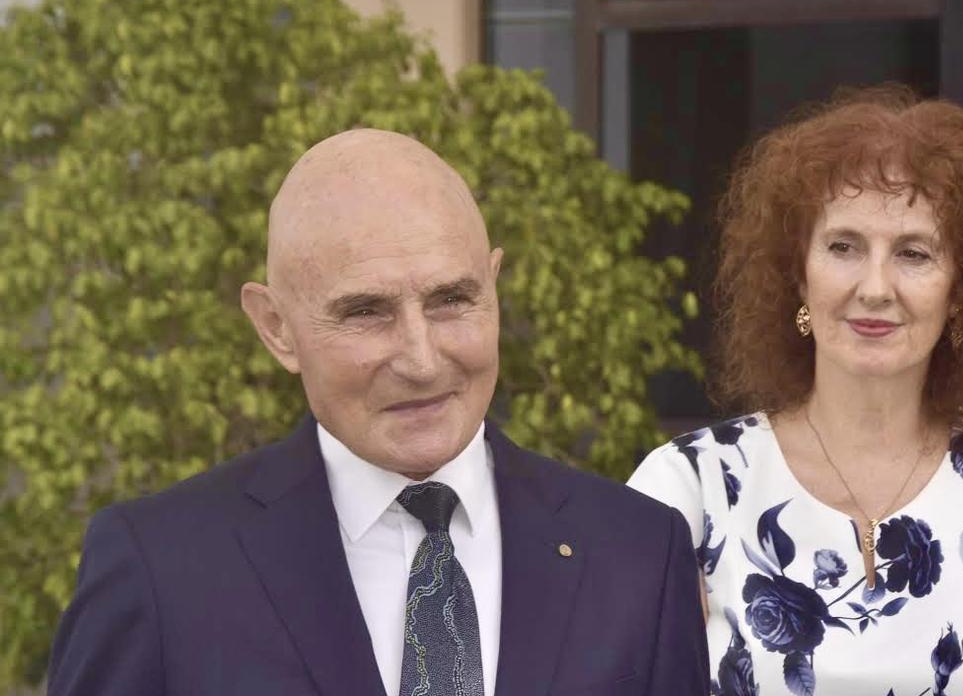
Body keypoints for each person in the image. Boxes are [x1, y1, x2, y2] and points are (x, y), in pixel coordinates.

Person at [48, 129, 709, 696]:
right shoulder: (161, 569)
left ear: (496, 291)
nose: (422, 359)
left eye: (452, 299)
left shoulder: (638, 555)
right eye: (366, 312)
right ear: (276, 327)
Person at [628, 88, 963, 696]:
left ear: (960, 292)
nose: (875, 287)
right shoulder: (688, 490)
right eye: (843, 246)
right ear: (798, 272)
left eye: (913, 253)